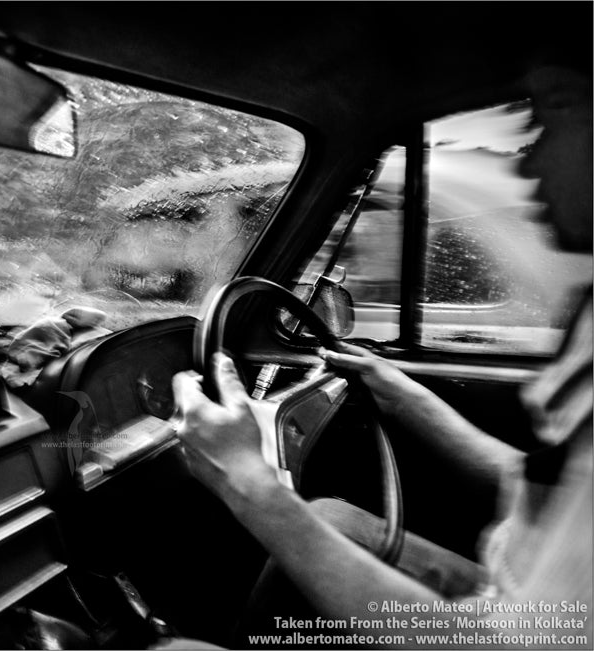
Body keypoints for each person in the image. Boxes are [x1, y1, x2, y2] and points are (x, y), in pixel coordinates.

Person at [171, 62, 593, 648]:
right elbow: (534, 490)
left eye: (561, 110)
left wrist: (248, 483)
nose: (527, 160)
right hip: (516, 588)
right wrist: (403, 393)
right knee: (332, 520)